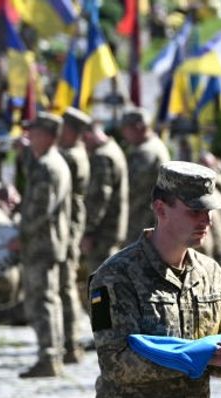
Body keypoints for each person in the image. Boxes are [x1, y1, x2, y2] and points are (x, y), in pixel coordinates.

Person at [89, 161, 221, 396]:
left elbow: (218, 357)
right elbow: (115, 365)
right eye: (195, 211)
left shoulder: (210, 273)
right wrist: (192, 357)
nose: (207, 220)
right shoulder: (115, 276)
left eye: (209, 211)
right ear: (161, 209)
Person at [12, 113, 73, 378]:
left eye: (34, 132)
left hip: (41, 244)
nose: (29, 136)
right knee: (48, 299)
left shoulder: (48, 166)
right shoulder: (49, 161)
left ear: (48, 135)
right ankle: (52, 355)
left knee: (42, 301)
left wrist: (21, 236)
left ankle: (49, 357)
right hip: (46, 242)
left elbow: (39, 209)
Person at [81, 121, 129, 310]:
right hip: (111, 231)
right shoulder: (114, 149)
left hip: (101, 235)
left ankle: (104, 336)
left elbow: (98, 198)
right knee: (106, 287)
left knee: (100, 290)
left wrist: (88, 231)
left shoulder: (102, 157)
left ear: (87, 136)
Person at [58, 108, 91, 363]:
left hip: (67, 229)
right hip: (69, 226)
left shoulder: (70, 157)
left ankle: (71, 344)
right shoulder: (75, 153)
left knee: (66, 286)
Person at [121, 108, 171, 244]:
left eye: (125, 129)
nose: (124, 134)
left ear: (138, 128)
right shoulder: (155, 145)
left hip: (142, 221)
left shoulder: (145, 153)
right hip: (150, 219)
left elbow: (131, 189)